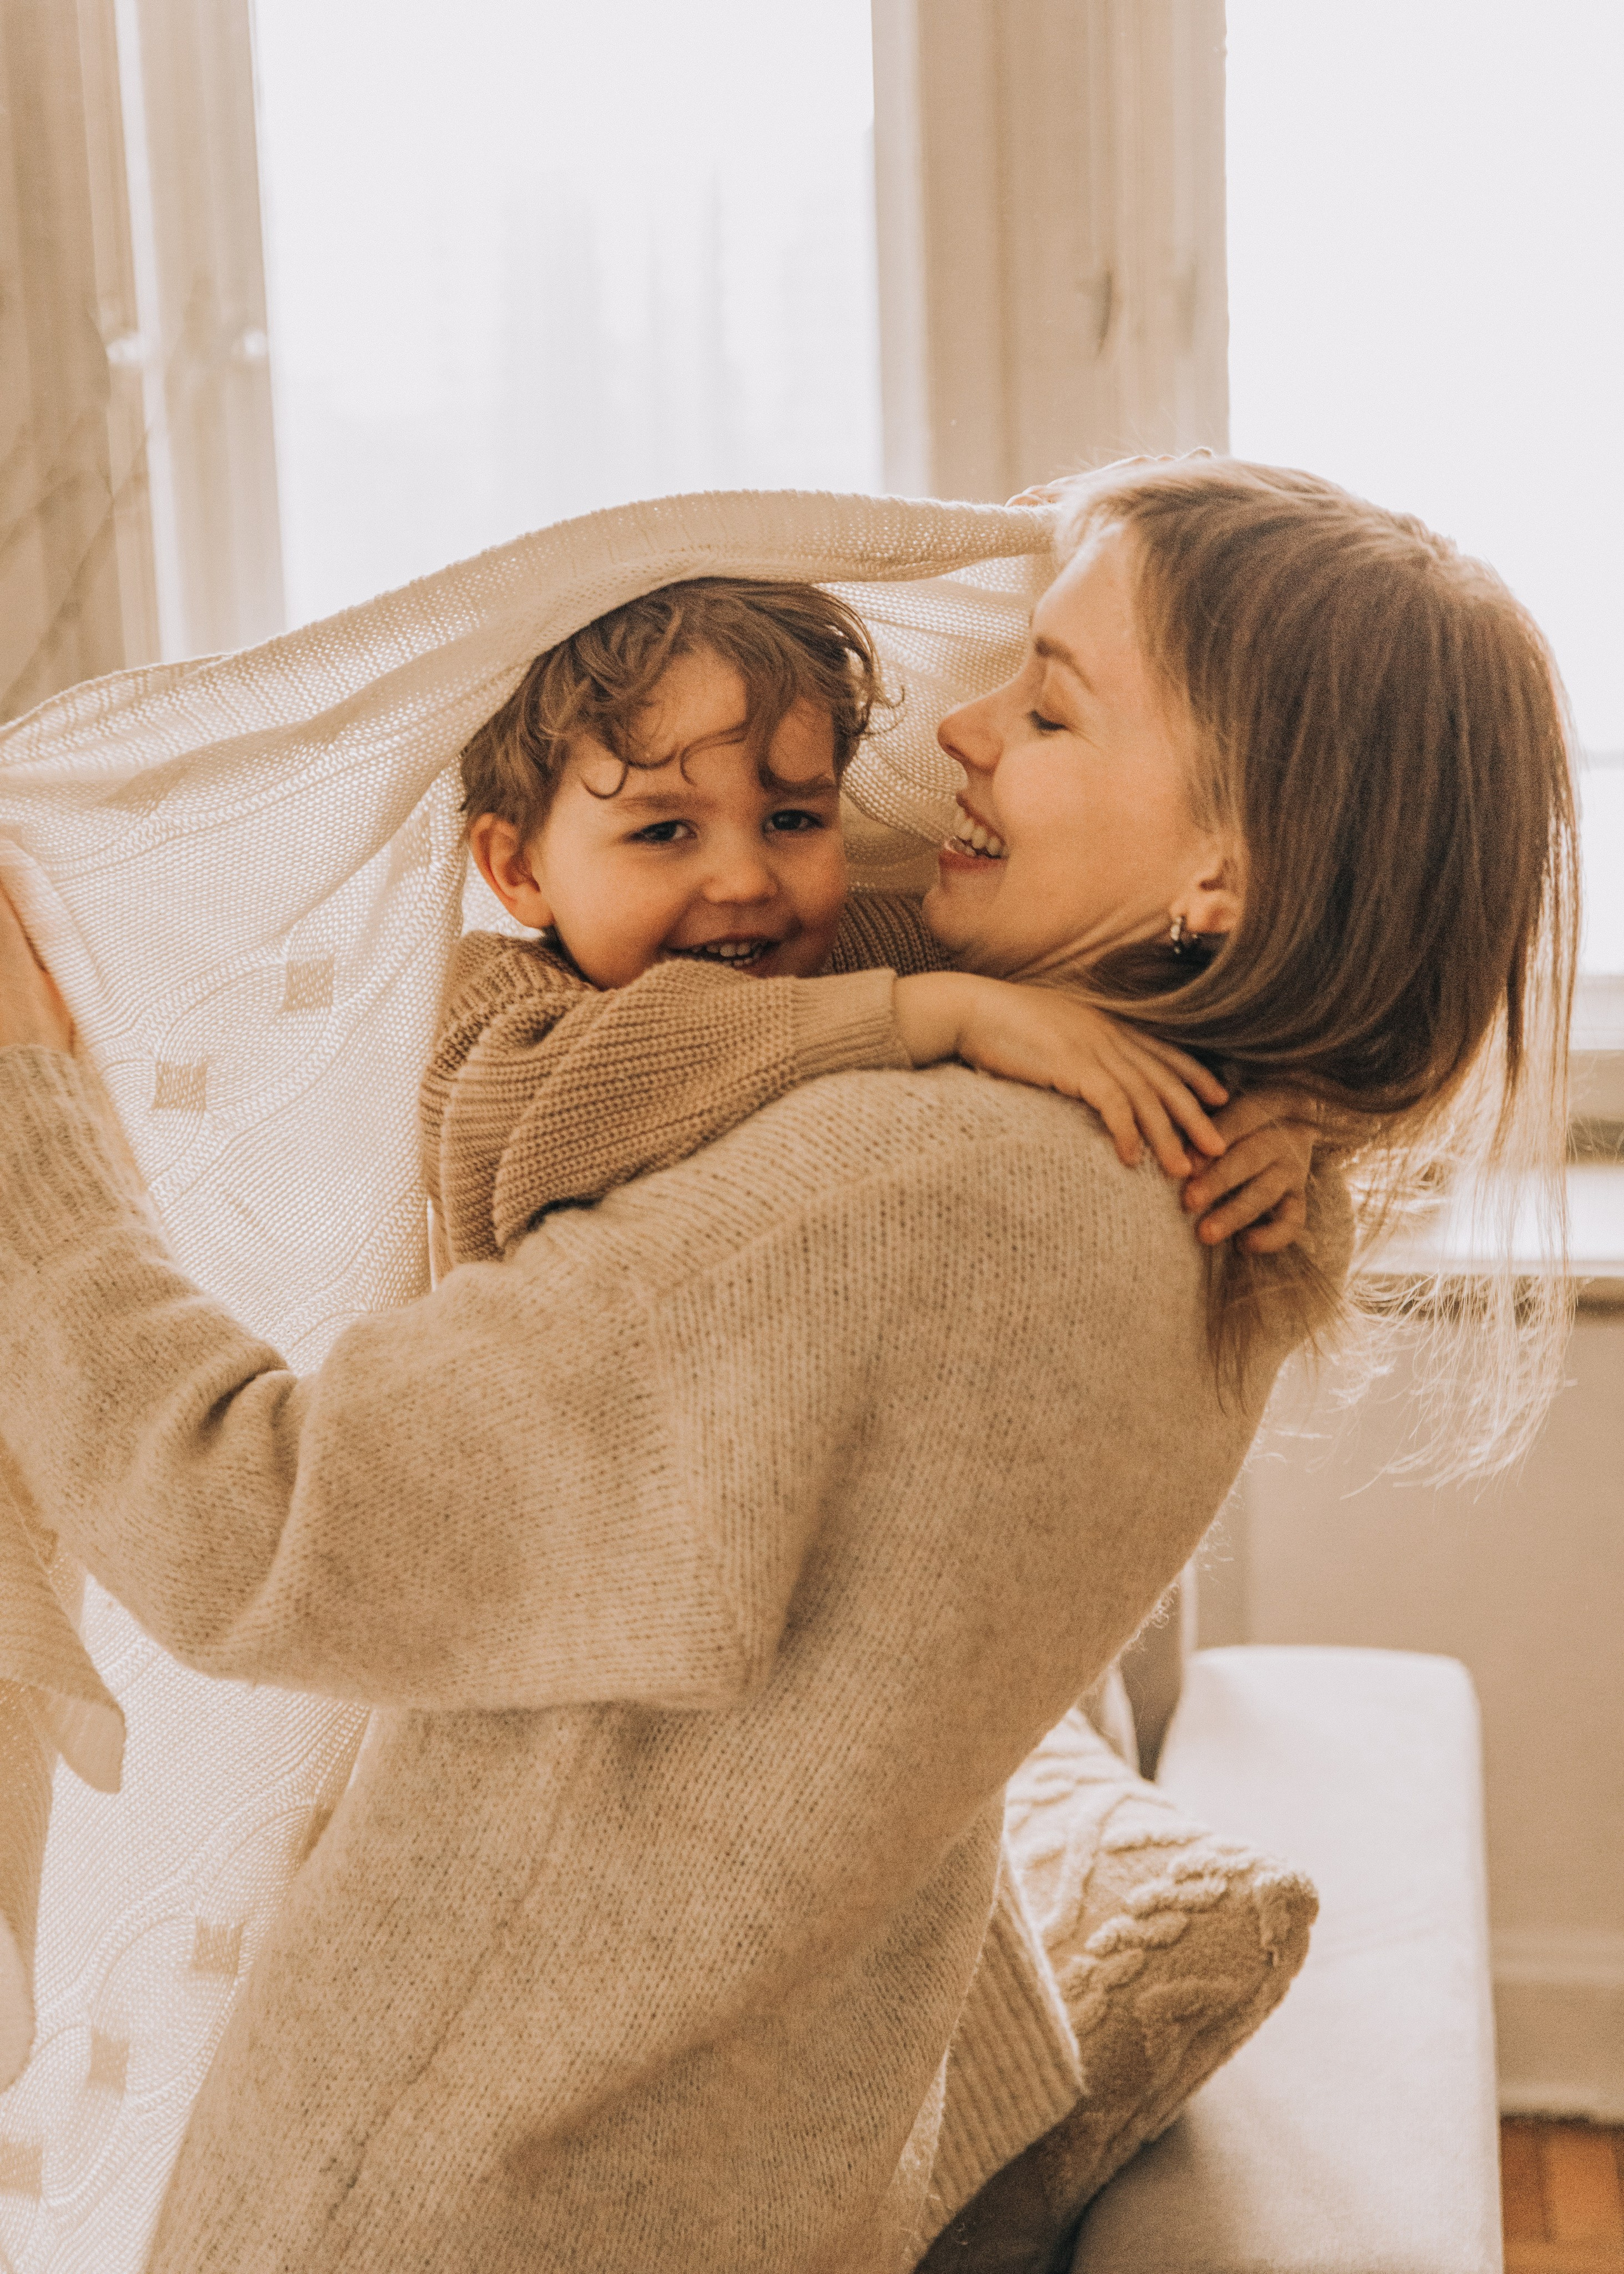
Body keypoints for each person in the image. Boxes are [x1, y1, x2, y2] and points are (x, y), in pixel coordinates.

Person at [0, 459, 1576, 2274]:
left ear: (1230, 863)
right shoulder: (1227, 1205)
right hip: (759, 2181)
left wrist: (32, 1106)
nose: (965, 735)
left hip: (465, 2196)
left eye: (1051, 703)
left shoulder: (892, 1203)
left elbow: (240, 1518)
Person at [422, 573, 1316, 1275]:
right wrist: (947, 1016)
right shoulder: (503, 1016)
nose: (743, 880)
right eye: (663, 832)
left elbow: (1117, 999)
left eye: (793, 820)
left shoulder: (857, 953)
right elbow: (582, 1091)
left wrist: (1283, 1104)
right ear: (518, 870)